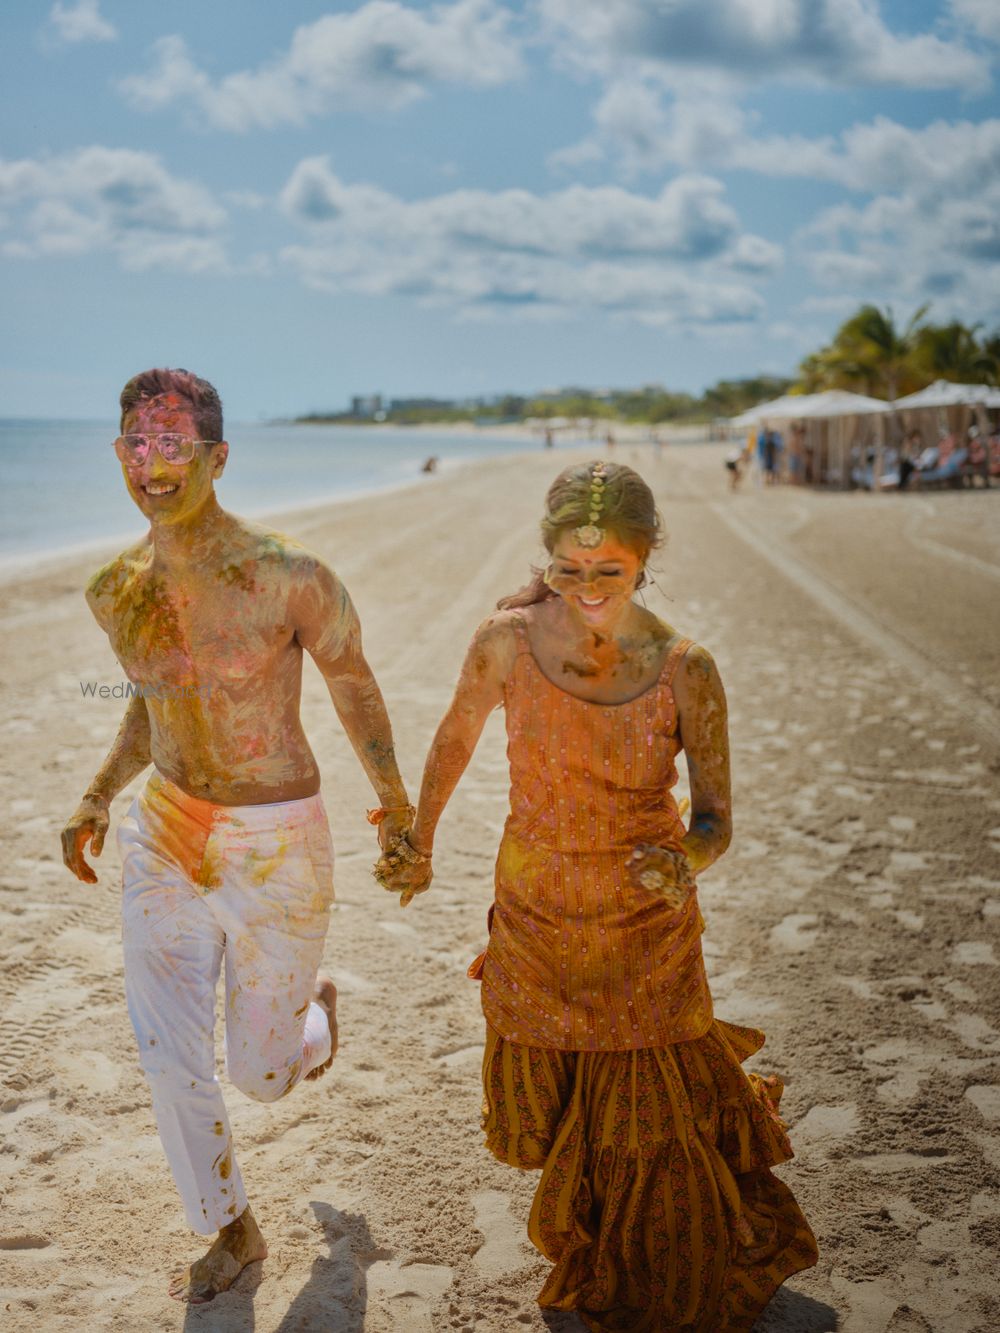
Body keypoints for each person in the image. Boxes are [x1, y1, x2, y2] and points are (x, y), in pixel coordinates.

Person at [375, 461, 819, 1330]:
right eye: (567, 570)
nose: (585, 589)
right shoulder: (502, 640)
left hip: (641, 930)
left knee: (647, 1124)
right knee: (554, 1108)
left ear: (646, 559)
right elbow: (453, 742)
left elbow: (716, 819)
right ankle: (600, 1241)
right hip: (537, 917)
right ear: (545, 557)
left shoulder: (686, 667)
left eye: (607, 572)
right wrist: (417, 840)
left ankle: (660, 1263)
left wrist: (683, 859)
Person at [60, 368, 412, 1304]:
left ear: (217, 457)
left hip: (277, 841)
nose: (153, 462)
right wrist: (98, 795)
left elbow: (353, 683)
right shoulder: (114, 589)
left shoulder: (287, 575)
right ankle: (231, 1225)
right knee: (167, 1053)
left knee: (260, 1076)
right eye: (136, 442)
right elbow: (154, 707)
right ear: (119, 457)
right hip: (166, 834)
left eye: (173, 443)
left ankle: (315, 1018)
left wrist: (397, 809)